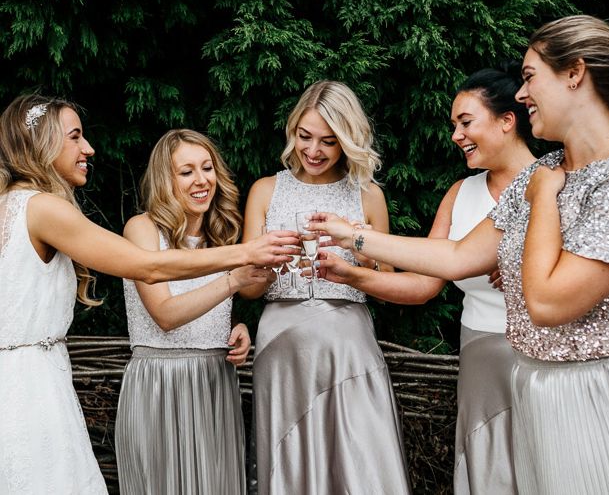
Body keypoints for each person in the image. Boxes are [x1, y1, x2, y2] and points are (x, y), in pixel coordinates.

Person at [310, 16, 609, 495]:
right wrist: (351, 237)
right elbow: (455, 256)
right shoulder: (546, 170)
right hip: (537, 390)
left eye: (531, 75)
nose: (521, 93)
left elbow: (550, 303)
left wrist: (543, 200)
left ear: (575, 73)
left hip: (599, 395)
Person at [0, 95, 296, 495]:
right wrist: (245, 254)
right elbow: (148, 267)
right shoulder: (42, 208)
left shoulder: (11, 205)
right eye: (75, 137)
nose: (88, 148)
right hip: (29, 386)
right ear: (41, 144)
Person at [317, 67, 535, 494]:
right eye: (454, 125)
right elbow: (423, 282)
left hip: (544, 352)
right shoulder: (460, 193)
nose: (456, 135)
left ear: (507, 120)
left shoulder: (557, 179)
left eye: (466, 122)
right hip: (480, 353)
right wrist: (351, 274)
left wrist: (524, 262)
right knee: (490, 470)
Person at [243, 80, 411, 495]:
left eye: (328, 142)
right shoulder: (266, 190)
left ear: (347, 142)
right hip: (281, 341)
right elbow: (246, 288)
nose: (313, 151)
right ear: (292, 130)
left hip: (347, 340)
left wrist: (354, 263)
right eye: (305, 136)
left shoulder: (367, 195)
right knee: (289, 453)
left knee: (359, 451)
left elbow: (387, 283)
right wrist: (267, 266)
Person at [115, 129, 268, 494]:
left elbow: (207, 306)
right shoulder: (142, 230)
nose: (201, 181)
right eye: (186, 172)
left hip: (215, 384)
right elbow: (165, 315)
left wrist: (235, 327)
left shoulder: (221, 238)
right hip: (160, 385)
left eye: (207, 168)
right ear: (164, 180)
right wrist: (232, 280)